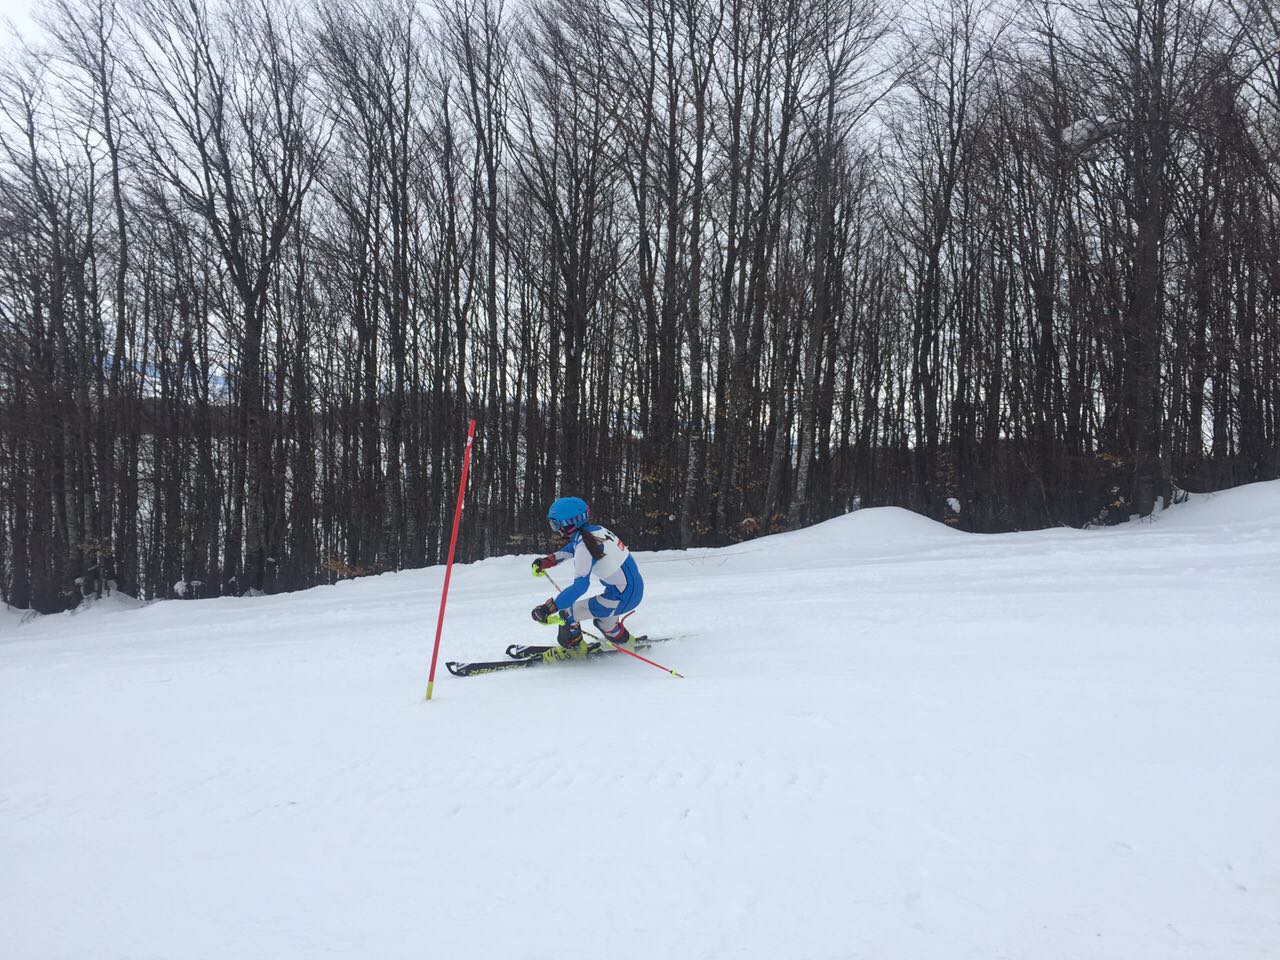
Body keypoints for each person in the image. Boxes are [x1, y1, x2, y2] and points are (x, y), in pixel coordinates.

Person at [530, 496, 644, 662]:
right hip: (630, 591)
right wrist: (549, 561)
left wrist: (549, 608)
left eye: (555, 524)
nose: (555, 529)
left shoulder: (585, 546)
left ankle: (575, 650)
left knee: (566, 614)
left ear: (569, 524)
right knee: (604, 623)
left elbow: (580, 587)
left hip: (620, 596)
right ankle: (627, 642)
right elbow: (572, 548)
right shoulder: (596, 531)